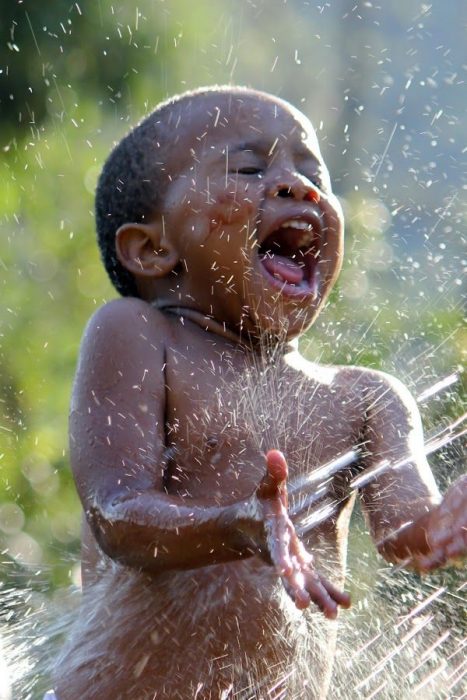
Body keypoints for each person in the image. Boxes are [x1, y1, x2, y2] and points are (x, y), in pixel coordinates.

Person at [51, 86, 466, 700]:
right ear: (151, 248)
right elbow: (118, 515)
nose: (298, 186)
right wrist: (237, 525)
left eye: (314, 172)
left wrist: (451, 523)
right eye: (249, 168)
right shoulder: (139, 335)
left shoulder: (366, 399)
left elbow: (411, 538)